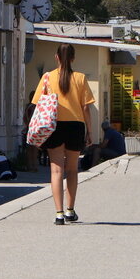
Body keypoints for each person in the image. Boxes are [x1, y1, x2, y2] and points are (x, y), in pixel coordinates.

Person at [33, 43, 95, 226]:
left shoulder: (47, 77)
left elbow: (38, 104)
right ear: (73, 58)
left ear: (56, 57)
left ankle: (58, 213)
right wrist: (89, 131)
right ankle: (70, 210)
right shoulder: (80, 78)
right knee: (72, 169)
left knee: (56, 170)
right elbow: (86, 107)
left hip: (54, 126)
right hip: (75, 126)